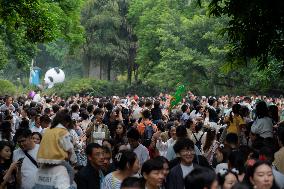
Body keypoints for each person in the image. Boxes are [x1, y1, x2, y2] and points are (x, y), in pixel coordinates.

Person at [33, 110, 77, 189]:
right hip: (57, 160)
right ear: (66, 122)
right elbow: (69, 148)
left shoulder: (47, 130)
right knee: (71, 171)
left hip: (43, 161)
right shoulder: (63, 131)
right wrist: (74, 161)